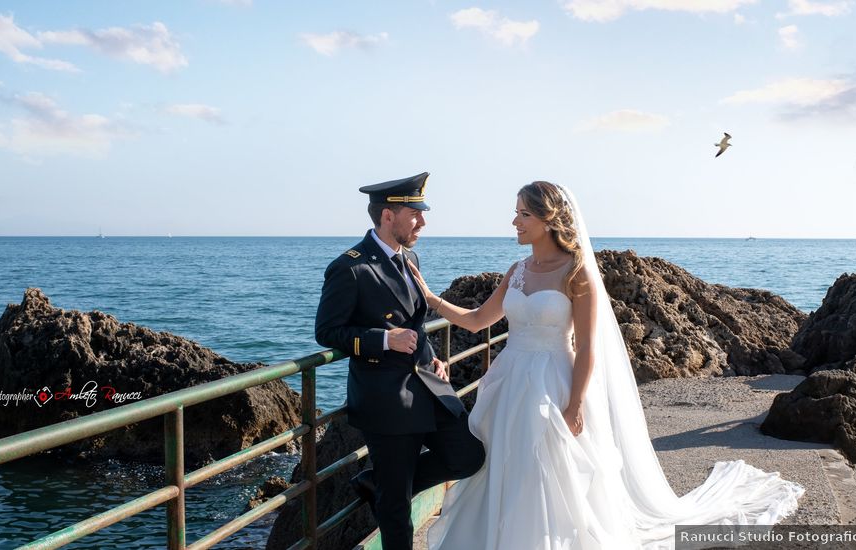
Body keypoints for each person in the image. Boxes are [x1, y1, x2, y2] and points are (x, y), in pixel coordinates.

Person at [407, 181, 805, 549]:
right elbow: (478, 320)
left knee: (548, 469)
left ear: (548, 220)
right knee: (501, 467)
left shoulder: (576, 272)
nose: (515, 221)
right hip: (510, 380)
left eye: (523, 214)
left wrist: (576, 403)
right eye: (516, 213)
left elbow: (587, 348)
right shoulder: (517, 272)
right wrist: (430, 298)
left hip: (555, 382)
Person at [314, 172, 486, 550]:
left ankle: (379, 482)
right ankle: (388, 488)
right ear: (388, 217)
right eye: (415, 213)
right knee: (395, 509)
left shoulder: (410, 258)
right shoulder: (350, 267)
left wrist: (433, 357)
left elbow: (415, 324)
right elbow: (327, 332)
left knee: (469, 456)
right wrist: (382, 339)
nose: (423, 222)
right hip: (386, 396)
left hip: (428, 383)